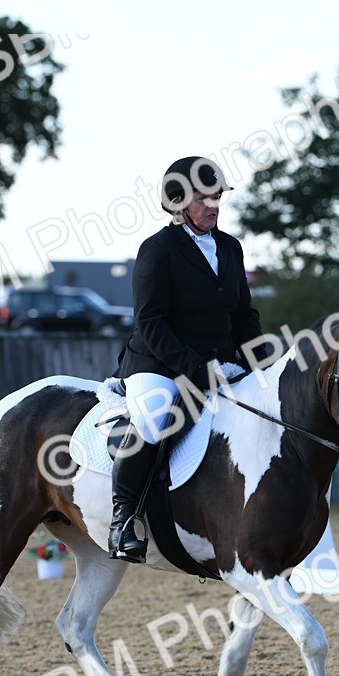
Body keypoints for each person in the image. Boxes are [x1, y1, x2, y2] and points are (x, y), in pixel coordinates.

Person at [109, 155, 264, 562]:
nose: (213, 206)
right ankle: (124, 518)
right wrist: (196, 368)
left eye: (217, 198)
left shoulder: (230, 247)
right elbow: (151, 321)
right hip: (160, 362)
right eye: (204, 198)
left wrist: (260, 361)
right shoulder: (158, 250)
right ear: (179, 202)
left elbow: (243, 314)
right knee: (154, 418)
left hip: (221, 361)